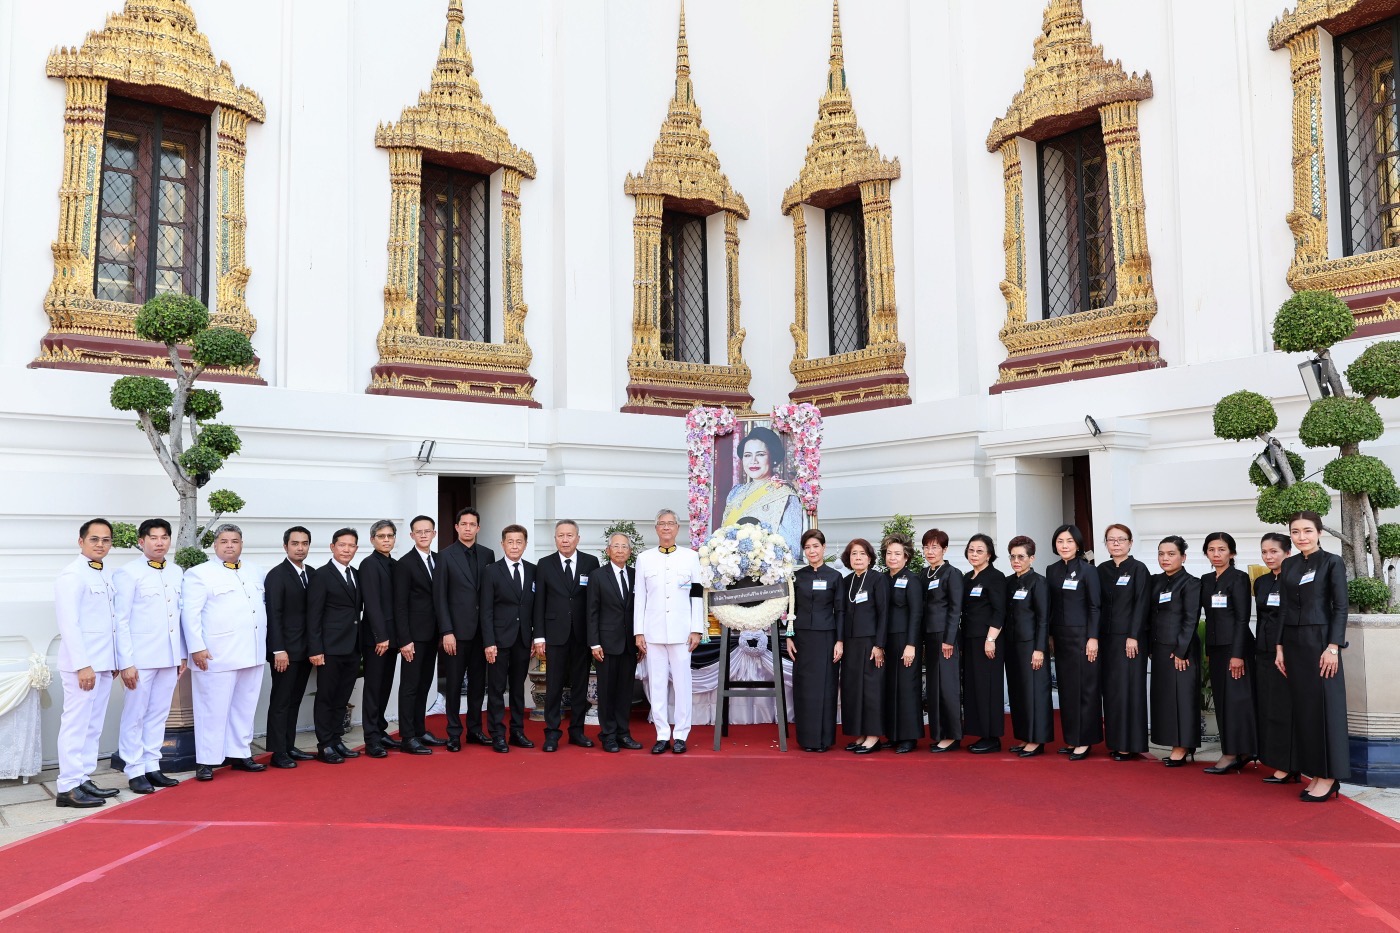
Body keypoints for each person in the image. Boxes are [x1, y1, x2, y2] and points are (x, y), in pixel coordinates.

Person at [181, 524, 268, 782]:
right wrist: (196, 648)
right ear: (215, 545)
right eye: (224, 541)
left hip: (251, 651)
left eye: (235, 541)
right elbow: (190, 614)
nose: (230, 545)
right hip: (217, 655)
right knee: (212, 710)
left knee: (244, 707)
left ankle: (239, 753)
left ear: (242, 543)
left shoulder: (255, 571)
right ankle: (207, 760)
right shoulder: (199, 574)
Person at [1277, 510, 1350, 802]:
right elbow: (1283, 608)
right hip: (1293, 645)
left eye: (1307, 531)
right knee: (1305, 711)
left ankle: (1330, 776)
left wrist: (1333, 647)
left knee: (1325, 709)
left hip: (1321, 643)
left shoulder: (1332, 562)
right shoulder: (1289, 564)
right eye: (1295, 532)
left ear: (1319, 532)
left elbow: (1340, 607)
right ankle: (1316, 773)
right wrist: (1279, 646)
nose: (1301, 537)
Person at [113, 518, 185, 794]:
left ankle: (152, 764)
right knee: (135, 714)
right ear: (141, 541)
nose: (159, 542)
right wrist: (126, 662)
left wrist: (181, 655)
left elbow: (178, 617)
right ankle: (134, 769)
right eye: (153, 537)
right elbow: (121, 620)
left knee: (158, 713)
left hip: (168, 657)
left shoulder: (176, 572)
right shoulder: (128, 573)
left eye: (164, 537)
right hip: (140, 659)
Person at [53, 518, 121, 807]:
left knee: (93, 725)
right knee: (76, 724)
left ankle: (82, 778)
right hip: (82, 666)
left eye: (106, 540)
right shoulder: (72, 575)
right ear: (81, 541)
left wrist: (114, 659)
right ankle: (67, 786)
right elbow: (69, 624)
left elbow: (110, 622)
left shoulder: (105, 574)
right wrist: (83, 665)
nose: (100, 544)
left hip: (103, 663)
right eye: (94, 539)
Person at [633, 509, 704, 754]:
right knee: (657, 684)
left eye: (670, 523)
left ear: (677, 528)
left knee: (683, 685)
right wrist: (639, 632)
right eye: (661, 523)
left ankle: (681, 734)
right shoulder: (644, 558)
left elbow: (697, 595)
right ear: (656, 529)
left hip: (682, 632)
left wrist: (697, 628)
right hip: (653, 632)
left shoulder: (690, 557)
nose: (666, 527)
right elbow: (640, 598)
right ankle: (662, 734)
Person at [533, 519, 602, 751]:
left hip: (582, 635)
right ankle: (552, 733)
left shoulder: (591, 562)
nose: (565, 540)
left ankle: (577, 732)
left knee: (580, 685)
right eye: (560, 536)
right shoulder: (544, 564)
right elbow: (539, 602)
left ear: (578, 538)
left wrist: (595, 637)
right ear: (555, 539)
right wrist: (539, 637)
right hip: (554, 634)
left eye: (569, 535)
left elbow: (594, 602)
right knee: (554, 685)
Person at [434, 507, 495, 751]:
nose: (468, 528)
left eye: (472, 524)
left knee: (478, 685)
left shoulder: (488, 554)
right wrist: (446, 631)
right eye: (464, 524)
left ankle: (475, 730)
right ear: (457, 527)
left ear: (478, 528)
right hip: (456, 634)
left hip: (482, 633)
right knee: (454, 685)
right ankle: (453, 733)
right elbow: (440, 598)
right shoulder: (445, 556)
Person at [1200, 531, 1257, 774]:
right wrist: (1208, 649)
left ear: (1231, 553)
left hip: (1236, 648)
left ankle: (1232, 753)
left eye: (1222, 549)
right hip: (1216, 648)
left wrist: (1237, 654)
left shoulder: (1239, 578)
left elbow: (1243, 618)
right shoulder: (1205, 579)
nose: (1216, 554)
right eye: (1211, 549)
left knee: (1235, 701)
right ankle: (1240, 751)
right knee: (1223, 701)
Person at [306, 528, 364, 765]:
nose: (346, 550)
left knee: (342, 697)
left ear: (356, 549)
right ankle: (325, 745)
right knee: (326, 697)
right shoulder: (321, 575)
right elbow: (314, 615)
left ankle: (337, 739)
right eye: (342, 545)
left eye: (351, 546)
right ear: (332, 547)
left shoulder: (356, 574)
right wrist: (315, 649)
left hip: (352, 647)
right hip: (329, 648)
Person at [1045, 524, 1102, 760]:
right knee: (1067, 690)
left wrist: (1093, 638)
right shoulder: (1052, 570)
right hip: (1060, 638)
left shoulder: (1088, 571)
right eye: (1060, 541)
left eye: (1069, 541)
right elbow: (1051, 606)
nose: (1064, 545)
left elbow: (1095, 606)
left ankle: (1084, 740)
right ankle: (1071, 738)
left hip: (1082, 638)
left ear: (1078, 544)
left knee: (1084, 689)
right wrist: (1050, 635)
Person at [1096, 524, 1150, 762]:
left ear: (1130, 543)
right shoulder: (1101, 570)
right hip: (1107, 639)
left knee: (1130, 689)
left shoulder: (1139, 569)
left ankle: (1131, 744)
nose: (1116, 543)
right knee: (1112, 691)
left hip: (1130, 640)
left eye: (1121, 539)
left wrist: (1133, 635)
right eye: (1111, 539)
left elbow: (1141, 604)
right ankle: (1116, 742)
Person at [480, 525, 537, 753]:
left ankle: (517, 732)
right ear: (502, 544)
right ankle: (497, 734)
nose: (514, 546)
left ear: (525, 544)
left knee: (517, 689)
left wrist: (534, 637)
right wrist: (488, 642)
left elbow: (535, 607)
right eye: (510, 542)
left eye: (519, 542)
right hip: (498, 641)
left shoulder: (533, 570)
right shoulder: (491, 571)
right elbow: (486, 610)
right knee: (496, 690)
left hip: (523, 640)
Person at [787, 529, 844, 753]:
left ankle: (824, 739)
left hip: (827, 637)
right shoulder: (797, 577)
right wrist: (789, 636)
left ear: (824, 547)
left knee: (826, 687)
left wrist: (839, 641)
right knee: (804, 688)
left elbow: (840, 611)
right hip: (802, 638)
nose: (812, 551)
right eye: (808, 547)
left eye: (816, 546)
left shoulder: (835, 577)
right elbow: (790, 610)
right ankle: (807, 739)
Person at [264, 526, 315, 768]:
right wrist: (278, 650)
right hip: (284, 652)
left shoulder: (311, 574)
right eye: (295, 543)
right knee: (281, 702)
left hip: (305, 650)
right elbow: (273, 615)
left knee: (294, 700)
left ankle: (289, 745)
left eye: (304, 543)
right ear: (285, 546)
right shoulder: (276, 575)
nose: (300, 548)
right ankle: (278, 752)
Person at [1148, 535, 1201, 767]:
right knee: (1166, 699)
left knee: (1183, 698)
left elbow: (1191, 619)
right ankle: (1173, 742)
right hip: (1160, 649)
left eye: (1171, 554)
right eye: (1161, 554)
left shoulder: (1191, 583)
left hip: (1181, 651)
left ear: (1183, 557)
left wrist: (1181, 650)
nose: (1165, 558)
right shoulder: (1156, 581)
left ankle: (1183, 746)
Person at [588, 533, 642, 753]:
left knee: (625, 692)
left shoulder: (636, 575)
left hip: (630, 643)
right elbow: (591, 611)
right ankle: (608, 735)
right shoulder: (598, 576)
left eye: (624, 546)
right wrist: (594, 643)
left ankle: (623, 733)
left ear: (630, 551)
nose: (620, 550)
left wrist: (641, 639)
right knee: (607, 691)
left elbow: (642, 609)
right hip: (606, 644)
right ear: (608, 550)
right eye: (616, 546)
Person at [395, 515, 442, 754]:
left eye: (427, 531)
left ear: (434, 534)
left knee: (424, 684)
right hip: (413, 637)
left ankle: (420, 730)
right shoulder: (405, 564)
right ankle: (407, 737)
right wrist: (404, 640)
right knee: (410, 686)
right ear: (412, 535)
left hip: (433, 634)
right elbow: (400, 605)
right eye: (418, 531)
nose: (423, 535)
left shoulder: (439, 560)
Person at [1254, 532, 1298, 784]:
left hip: (1287, 651)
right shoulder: (1261, 582)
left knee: (1284, 707)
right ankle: (1273, 758)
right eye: (1264, 552)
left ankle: (1289, 764)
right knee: (1268, 707)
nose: (1268, 556)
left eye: (1274, 552)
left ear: (1287, 553)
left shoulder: (1294, 580)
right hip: (1263, 651)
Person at [1004, 536, 1052, 758]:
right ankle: (1024, 736)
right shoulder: (1009, 582)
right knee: (1018, 693)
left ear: (1031, 558)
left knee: (1034, 692)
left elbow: (1043, 619)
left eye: (1021, 557)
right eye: (1013, 557)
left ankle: (1036, 740)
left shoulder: (1038, 582)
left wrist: (1040, 649)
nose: (1016, 561)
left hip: (1031, 645)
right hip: (1012, 645)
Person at [721, 426, 802, 554]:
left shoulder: (786, 496)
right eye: (747, 455)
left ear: (773, 458)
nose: (753, 461)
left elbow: (792, 550)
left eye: (760, 454)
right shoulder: (735, 493)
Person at [840, 538, 888, 754]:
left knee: (871, 689)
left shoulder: (878, 579)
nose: (858, 557)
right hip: (851, 643)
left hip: (870, 642)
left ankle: (873, 736)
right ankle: (860, 733)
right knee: (853, 688)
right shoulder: (847, 581)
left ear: (869, 558)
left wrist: (879, 645)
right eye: (854, 554)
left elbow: (884, 613)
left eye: (862, 554)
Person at [961, 533, 1006, 754]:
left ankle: (992, 737)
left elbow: (999, 611)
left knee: (988, 688)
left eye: (979, 551)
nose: (974, 554)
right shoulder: (967, 577)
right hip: (969, 638)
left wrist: (990, 639)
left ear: (989, 555)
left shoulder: (995, 577)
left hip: (987, 640)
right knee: (974, 687)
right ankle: (981, 733)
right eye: (971, 550)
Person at [359, 520, 400, 757]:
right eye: (381, 536)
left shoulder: (394, 564)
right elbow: (372, 603)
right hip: (377, 639)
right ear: (372, 539)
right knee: (374, 688)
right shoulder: (368, 564)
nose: (386, 540)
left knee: (385, 686)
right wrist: (380, 636)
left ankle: (381, 730)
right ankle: (371, 738)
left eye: (390, 536)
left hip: (392, 638)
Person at [921, 529, 963, 753]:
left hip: (946, 638)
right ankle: (938, 733)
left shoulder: (952, 573)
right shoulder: (924, 573)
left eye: (935, 547)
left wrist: (949, 639)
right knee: (934, 688)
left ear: (944, 549)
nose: (930, 551)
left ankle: (952, 735)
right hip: (929, 636)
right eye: (926, 547)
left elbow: (955, 609)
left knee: (948, 686)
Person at [880, 533, 923, 753]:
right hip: (886, 640)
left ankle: (909, 737)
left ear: (906, 556)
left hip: (905, 640)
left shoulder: (912, 579)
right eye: (889, 553)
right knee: (890, 687)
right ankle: (893, 734)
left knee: (907, 687)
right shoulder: (883, 579)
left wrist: (911, 644)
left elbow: (916, 614)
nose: (893, 557)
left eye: (897, 554)